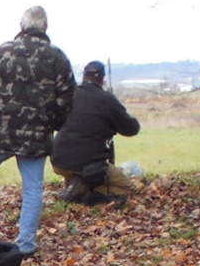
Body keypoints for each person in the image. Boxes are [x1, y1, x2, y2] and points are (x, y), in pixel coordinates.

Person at [0, 6, 76, 255]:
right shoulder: (57, 57)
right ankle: (26, 244)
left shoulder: (3, 51)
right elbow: (67, 97)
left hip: (0, 132)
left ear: (21, 26)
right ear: (45, 27)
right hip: (36, 136)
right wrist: (53, 124)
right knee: (33, 188)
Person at [52, 60, 143, 204]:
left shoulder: (69, 95)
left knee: (84, 172)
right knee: (128, 188)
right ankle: (84, 191)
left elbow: (55, 121)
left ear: (83, 76)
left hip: (59, 161)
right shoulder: (106, 99)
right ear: (102, 78)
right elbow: (131, 129)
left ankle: (76, 184)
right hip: (90, 165)